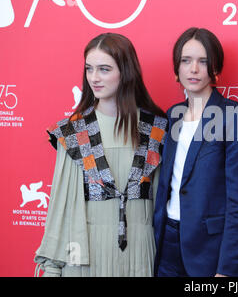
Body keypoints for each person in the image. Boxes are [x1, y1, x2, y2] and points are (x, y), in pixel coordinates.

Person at [34, 33, 168, 277]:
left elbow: (162, 206)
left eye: (104, 69)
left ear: (126, 71)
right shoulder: (73, 132)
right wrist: (53, 268)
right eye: (89, 69)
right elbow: (61, 210)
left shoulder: (157, 129)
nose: (94, 78)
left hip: (141, 256)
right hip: (84, 256)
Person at [153, 27, 238, 277]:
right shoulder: (172, 115)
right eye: (186, 61)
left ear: (215, 68)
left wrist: (227, 268)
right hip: (166, 240)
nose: (193, 69)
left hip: (210, 248)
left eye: (202, 61)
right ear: (177, 68)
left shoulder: (234, 116)